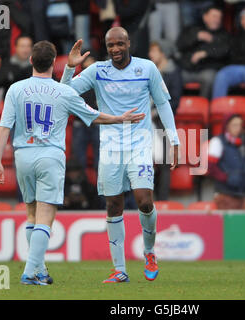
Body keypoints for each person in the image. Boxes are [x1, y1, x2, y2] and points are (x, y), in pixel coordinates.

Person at [0, 40, 145, 286]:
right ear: (54, 63)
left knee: (31, 214)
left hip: (22, 156)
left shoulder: (16, 89)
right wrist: (120, 118)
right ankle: (29, 272)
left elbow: (4, 126)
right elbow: (95, 116)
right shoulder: (64, 92)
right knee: (45, 217)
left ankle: (40, 271)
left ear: (31, 61)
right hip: (50, 156)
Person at [60, 27, 180, 283]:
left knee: (144, 201)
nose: (115, 49)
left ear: (129, 43)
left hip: (140, 144)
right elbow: (64, 94)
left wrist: (174, 139)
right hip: (111, 148)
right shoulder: (97, 71)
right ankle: (120, 269)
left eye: (119, 44)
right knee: (114, 205)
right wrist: (70, 68)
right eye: (110, 45)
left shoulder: (147, 68)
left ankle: (149, 252)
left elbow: (162, 104)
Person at [148, 40, 182, 200]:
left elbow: (174, 101)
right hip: (142, 120)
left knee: (163, 161)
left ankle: (162, 200)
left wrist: (155, 112)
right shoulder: (148, 71)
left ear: (163, 53)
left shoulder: (173, 73)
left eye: (154, 51)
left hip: (160, 121)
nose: (150, 54)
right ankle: (144, 199)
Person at [176, 5, 230, 99]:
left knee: (209, 77)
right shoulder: (194, 30)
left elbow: (225, 50)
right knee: (172, 75)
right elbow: (179, 45)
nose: (217, 20)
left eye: (219, 17)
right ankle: (173, 107)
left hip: (207, 70)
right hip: (188, 69)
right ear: (205, 17)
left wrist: (205, 53)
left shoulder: (223, 34)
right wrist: (195, 37)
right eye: (214, 16)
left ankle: (203, 108)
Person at [208, 114, 245, 209]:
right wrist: (227, 178)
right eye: (234, 125)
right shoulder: (217, 141)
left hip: (241, 194)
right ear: (227, 126)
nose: (238, 128)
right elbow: (211, 167)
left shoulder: (241, 143)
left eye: (240, 125)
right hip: (225, 194)